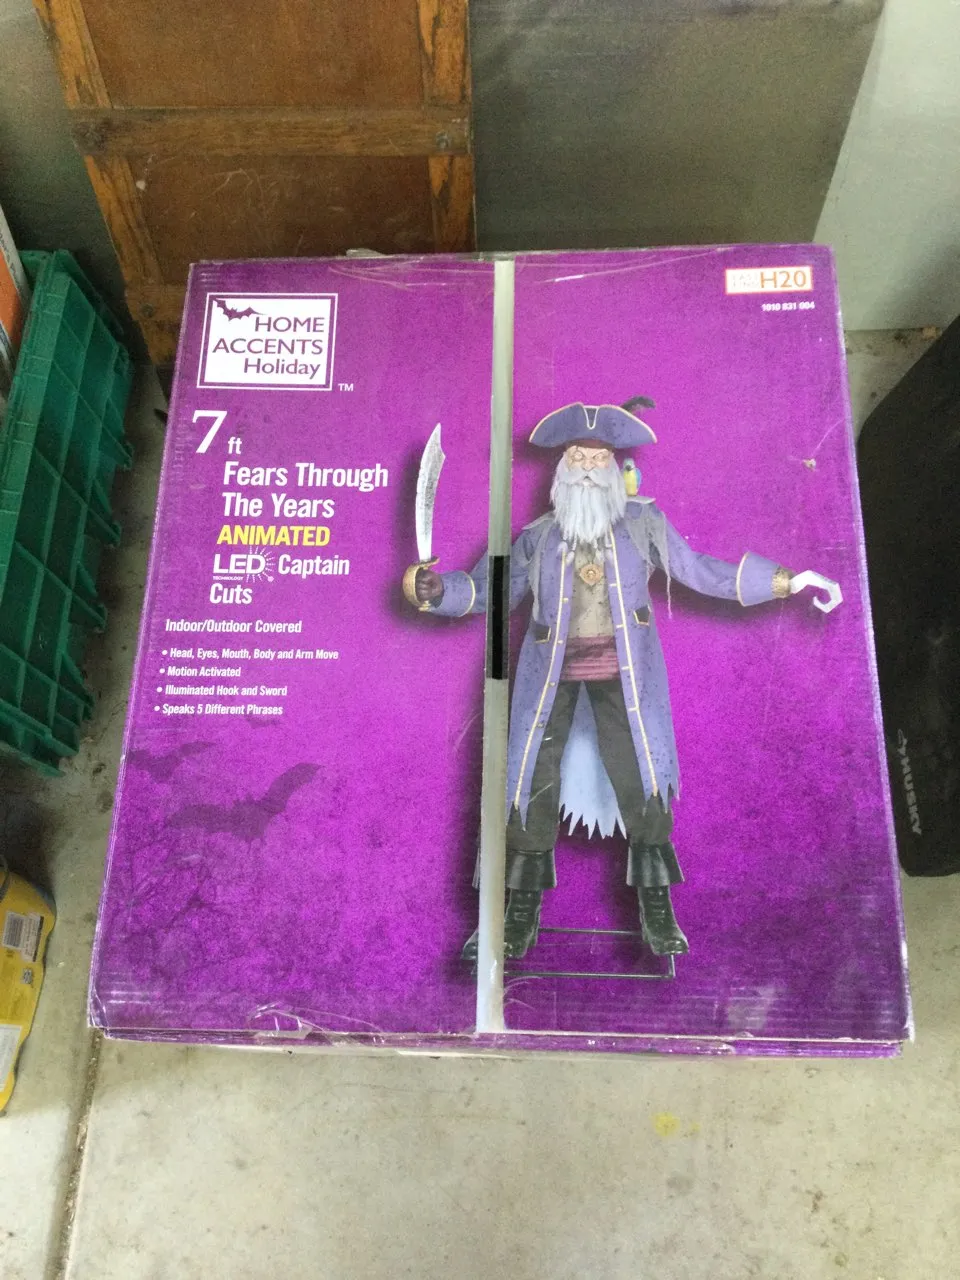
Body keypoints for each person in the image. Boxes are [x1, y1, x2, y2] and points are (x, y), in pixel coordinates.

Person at [404, 399, 835, 963]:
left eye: (597, 458)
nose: (587, 468)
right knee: (529, 782)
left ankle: (658, 913)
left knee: (645, 782)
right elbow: (487, 590)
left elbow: (698, 569)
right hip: (547, 681)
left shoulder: (643, 525)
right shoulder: (535, 538)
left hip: (629, 682)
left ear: (614, 467)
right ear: (562, 469)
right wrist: (438, 591)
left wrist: (782, 580)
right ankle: (519, 917)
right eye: (577, 458)